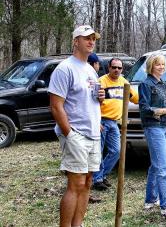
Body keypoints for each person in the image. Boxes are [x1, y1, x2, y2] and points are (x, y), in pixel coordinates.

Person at [48, 25, 104, 227]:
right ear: (75, 41)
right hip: (76, 134)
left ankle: (77, 224)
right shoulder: (65, 68)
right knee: (76, 183)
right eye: (86, 38)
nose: (91, 41)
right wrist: (69, 134)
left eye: (93, 38)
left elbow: (89, 101)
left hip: (93, 134)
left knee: (88, 181)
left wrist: (100, 98)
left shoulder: (90, 69)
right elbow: (56, 106)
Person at [139, 54, 166, 219]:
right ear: (151, 66)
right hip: (153, 128)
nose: (161, 67)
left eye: (163, 64)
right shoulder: (146, 84)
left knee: (157, 165)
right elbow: (144, 109)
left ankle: (150, 199)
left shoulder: (162, 84)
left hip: (164, 127)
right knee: (163, 167)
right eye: (158, 65)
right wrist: (165, 111)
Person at [92, 58, 139, 191]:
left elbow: (135, 98)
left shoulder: (124, 82)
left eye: (119, 68)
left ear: (122, 69)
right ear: (109, 68)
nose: (116, 70)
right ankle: (97, 179)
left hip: (113, 122)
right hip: (101, 120)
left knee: (116, 151)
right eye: (114, 67)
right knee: (98, 152)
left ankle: (102, 175)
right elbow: (92, 103)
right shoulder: (101, 81)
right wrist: (95, 121)